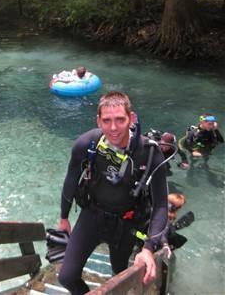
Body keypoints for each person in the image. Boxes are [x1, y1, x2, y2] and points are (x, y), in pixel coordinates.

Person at [57, 91, 168, 294]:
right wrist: (64, 217)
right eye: (107, 120)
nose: (114, 128)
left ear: (131, 118)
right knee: (66, 277)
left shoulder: (150, 153)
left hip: (126, 222)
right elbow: (71, 181)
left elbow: (161, 204)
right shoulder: (86, 144)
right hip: (92, 214)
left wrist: (148, 248)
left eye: (120, 119)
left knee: (120, 275)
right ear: (98, 121)